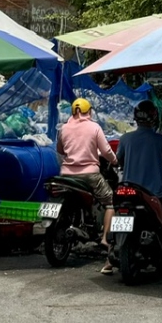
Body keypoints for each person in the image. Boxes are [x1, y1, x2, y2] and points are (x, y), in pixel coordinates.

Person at [109, 99, 162, 275]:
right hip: (153, 193)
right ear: (153, 117)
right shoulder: (160, 140)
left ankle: (109, 249)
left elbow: (118, 161)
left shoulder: (125, 138)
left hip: (128, 190)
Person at [55, 98, 117, 246]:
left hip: (66, 175)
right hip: (89, 175)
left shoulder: (64, 128)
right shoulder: (94, 127)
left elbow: (60, 150)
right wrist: (115, 161)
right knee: (110, 201)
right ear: (89, 111)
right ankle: (104, 239)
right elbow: (106, 150)